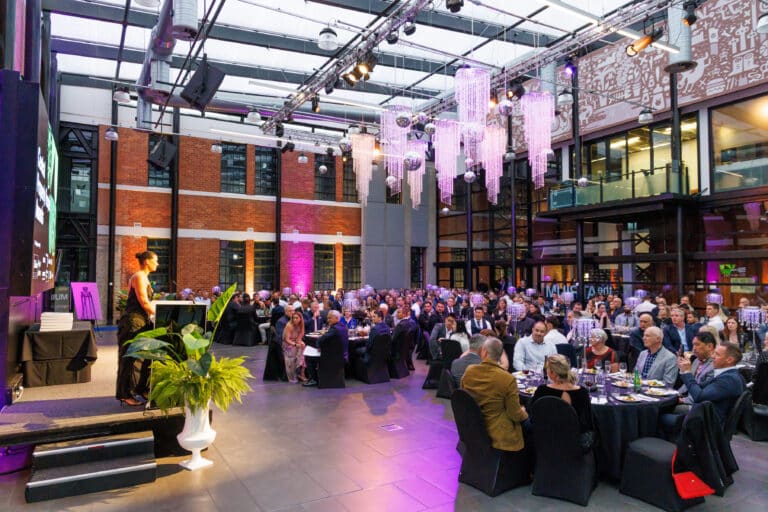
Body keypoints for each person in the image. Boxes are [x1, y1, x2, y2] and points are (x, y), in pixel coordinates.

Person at [461, 338, 529, 452]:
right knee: (529, 425)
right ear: (500, 355)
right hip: (498, 432)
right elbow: (514, 414)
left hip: (473, 426)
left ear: (483, 351)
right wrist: (525, 414)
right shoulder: (507, 378)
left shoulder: (469, 371)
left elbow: (464, 398)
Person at [116, 251, 158, 406]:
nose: (157, 264)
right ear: (147, 261)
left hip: (142, 322)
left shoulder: (144, 277)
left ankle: (141, 389)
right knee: (128, 358)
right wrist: (161, 315)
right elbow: (144, 303)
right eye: (155, 260)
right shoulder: (139, 277)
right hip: (133, 323)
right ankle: (124, 394)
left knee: (144, 358)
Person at [674, 342, 746, 427]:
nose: (712, 356)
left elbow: (699, 397)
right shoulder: (727, 374)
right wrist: (683, 371)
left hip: (707, 425)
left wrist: (687, 372)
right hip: (704, 416)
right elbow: (699, 386)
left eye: (717, 354)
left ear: (729, 360)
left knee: (661, 411)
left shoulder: (729, 379)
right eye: (714, 353)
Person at [531, 354, 593, 434]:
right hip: (575, 439)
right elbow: (588, 421)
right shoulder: (582, 392)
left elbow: (533, 416)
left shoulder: (542, 390)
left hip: (545, 437)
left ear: (552, 372)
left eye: (547, 368)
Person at [303, 310, 348, 387]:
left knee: (309, 357)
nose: (328, 320)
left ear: (336, 318)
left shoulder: (334, 329)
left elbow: (321, 339)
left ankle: (314, 379)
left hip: (334, 357)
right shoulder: (343, 327)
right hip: (343, 354)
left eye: (330, 318)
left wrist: (318, 346)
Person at [676, 331, 716, 399]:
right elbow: (688, 383)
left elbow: (704, 394)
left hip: (697, 404)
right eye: (693, 345)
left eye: (697, 345)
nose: (693, 348)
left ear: (709, 346)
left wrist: (682, 400)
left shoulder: (715, 366)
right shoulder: (696, 360)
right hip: (686, 397)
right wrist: (676, 394)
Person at [283, 312, 307, 383]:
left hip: (296, 341)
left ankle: (302, 373)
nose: (295, 319)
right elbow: (286, 339)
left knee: (304, 349)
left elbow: (301, 334)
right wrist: (295, 344)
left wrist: (299, 342)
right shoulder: (289, 325)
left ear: (300, 319)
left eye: (297, 318)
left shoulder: (301, 324)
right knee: (293, 354)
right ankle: (292, 376)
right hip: (288, 343)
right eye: (294, 318)